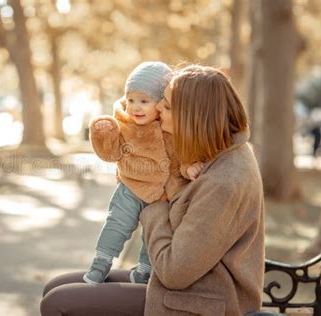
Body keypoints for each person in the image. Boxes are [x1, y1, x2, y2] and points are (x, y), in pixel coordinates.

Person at [40, 65, 265, 315]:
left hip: (202, 301)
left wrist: (152, 204)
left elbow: (174, 272)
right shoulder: (214, 152)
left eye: (167, 105)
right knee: (55, 286)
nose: (157, 109)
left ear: (192, 115)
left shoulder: (225, 180)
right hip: (186, 288)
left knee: (57, 303)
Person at [84, 61, 203, 285]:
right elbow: (110, 153)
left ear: (162, 103)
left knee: (156, 232)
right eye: (131, 100)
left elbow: (182, 158)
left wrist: (189, 168)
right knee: (117, 223)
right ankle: (101, 262)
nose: (135, 108)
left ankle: (144, 271)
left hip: (163, 194)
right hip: (131, 187)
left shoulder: (171, 128)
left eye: (144, 101)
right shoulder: (125, 125)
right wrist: (103, 135)